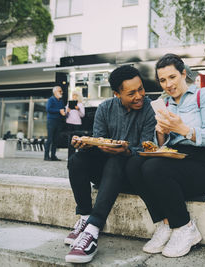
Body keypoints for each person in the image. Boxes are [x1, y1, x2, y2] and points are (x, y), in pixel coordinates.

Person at [126, 54, 205, 258]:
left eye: (172, 77)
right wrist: (161, 132)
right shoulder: (164, 102)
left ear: (183, 74)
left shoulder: (204, 95)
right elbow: (162, 146)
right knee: (134, 164)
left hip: (203, 165)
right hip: (175, 160)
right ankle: (166, 223)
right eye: (163, 80)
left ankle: (185, 227)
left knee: (154, 168)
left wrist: (184, 129)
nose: (168, 84)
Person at [64, 65, 156, 264]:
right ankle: (85, 217)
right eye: (131, 93)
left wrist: (127, 150)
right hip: (105, 176)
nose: (139, 95)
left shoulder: (150, 108)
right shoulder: (105, 108)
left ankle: (93, 230)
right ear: (117, 94)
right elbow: (100, 141)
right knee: (77, 159)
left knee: (117, 158)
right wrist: (87, 144)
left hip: (132, 176)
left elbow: (149, 147)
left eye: (141, 89)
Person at [44, 86, 65, 161]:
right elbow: (48, 109)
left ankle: (53, 156)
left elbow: (62, 110)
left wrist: (65, 112)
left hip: (59, 121)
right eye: (60, 91)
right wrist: (59, 111)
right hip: (51, 121)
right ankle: (46, 156)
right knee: (49, 139)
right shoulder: (51, 99)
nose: (61, 92)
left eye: (61, 91)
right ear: (55, 92)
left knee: (56, 140)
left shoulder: (61, 101)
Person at [65, 91, 85, 159]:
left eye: (76, 95)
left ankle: (78, 157)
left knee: (78, 141)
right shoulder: (68, 103)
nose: (74, 97)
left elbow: (82, 115)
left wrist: (78, 109)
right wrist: (67, 111)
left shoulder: (80, 104)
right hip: (69, 123)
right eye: (73, 95)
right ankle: (70, 157)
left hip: (77, 124)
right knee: (70, 141)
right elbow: (66, 115)